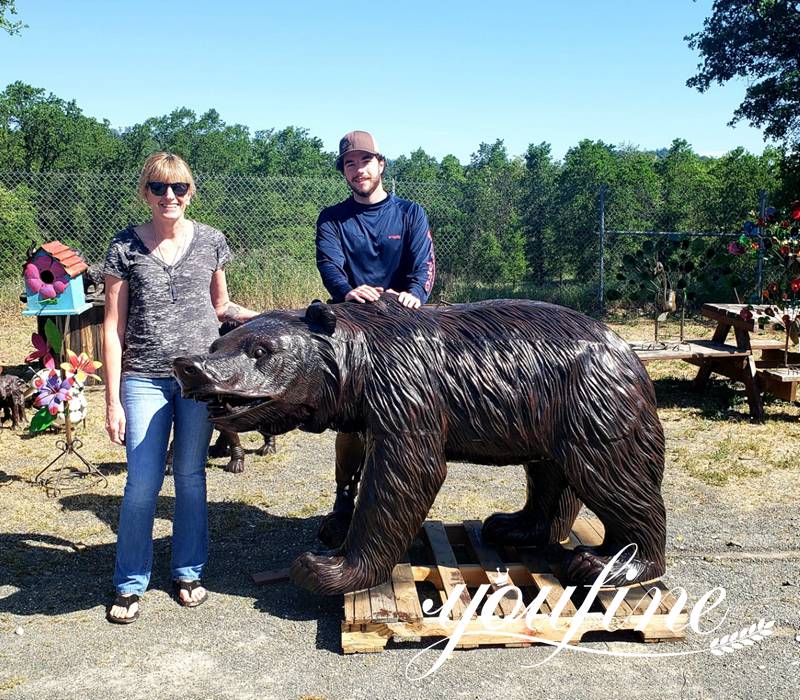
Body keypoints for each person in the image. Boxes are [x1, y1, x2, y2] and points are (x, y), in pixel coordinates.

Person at [103, 152, 257, 624]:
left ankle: (188, 572)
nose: (169, 196)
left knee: (191, 476)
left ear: (191, 192)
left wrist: (276, 321)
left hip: (199, 382)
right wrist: (112, 400)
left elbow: (222, 303)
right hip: (145, 379)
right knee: (142, 483)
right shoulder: (124, 247)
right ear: (145, 192)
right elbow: (112, 327)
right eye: (159, 187)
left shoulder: (211, 241)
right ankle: (130, 583)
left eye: (179, 188)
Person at [314, 130, 436, 546]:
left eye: (365, 161)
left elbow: (425, 265)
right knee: (351, 422)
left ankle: (399, 506)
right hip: (355, 329)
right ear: (344, 170)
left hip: (405, 329)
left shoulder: (409, 213)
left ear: (380, 164)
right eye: (350, 163)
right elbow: (330, 266)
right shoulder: (332, 218)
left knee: (409, 423)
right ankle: (345, 498)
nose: (358, 169)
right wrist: (348, 290)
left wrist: (414, 295)